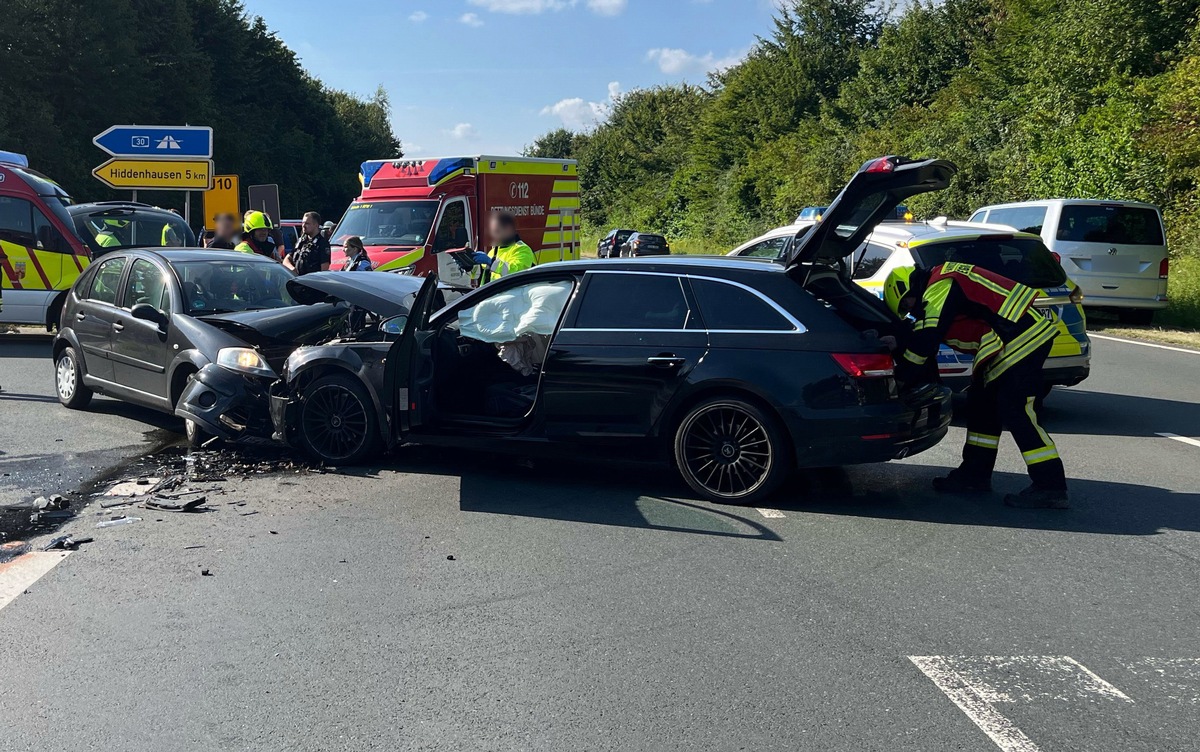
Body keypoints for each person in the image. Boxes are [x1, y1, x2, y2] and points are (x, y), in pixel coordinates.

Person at [885, 262, 1069, 509]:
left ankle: (1050, 485)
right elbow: (928, 329)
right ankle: (974, 475)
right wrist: (899, 339)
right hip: (1006, 341)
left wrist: (902, 378)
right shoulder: (942, 283)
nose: (911, 311)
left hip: (1021, 336)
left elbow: (928, 338)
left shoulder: (940, 284)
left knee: (1016, 409)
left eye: (906, 305)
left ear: (907, 289)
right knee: (982, 406)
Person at [473, 211, 534, 284]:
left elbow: (514, 271)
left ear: (509, 229)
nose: (493, 235)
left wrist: (491, 262)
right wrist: (469, 266)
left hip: (512, 294)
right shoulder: (494, 251)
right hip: (494, 294)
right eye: (492, 232)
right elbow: (482, 274)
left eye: (497, 231)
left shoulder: (522, 249)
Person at [284, 211, 331, 275]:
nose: (303, 225)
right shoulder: (301, 241)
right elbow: (286, 260)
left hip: (311, 282)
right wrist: (292, 269)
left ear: (316, 225)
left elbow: (324, 270)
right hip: (298, 280)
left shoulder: (322, 244)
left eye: (307, 223)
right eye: (303, 223)